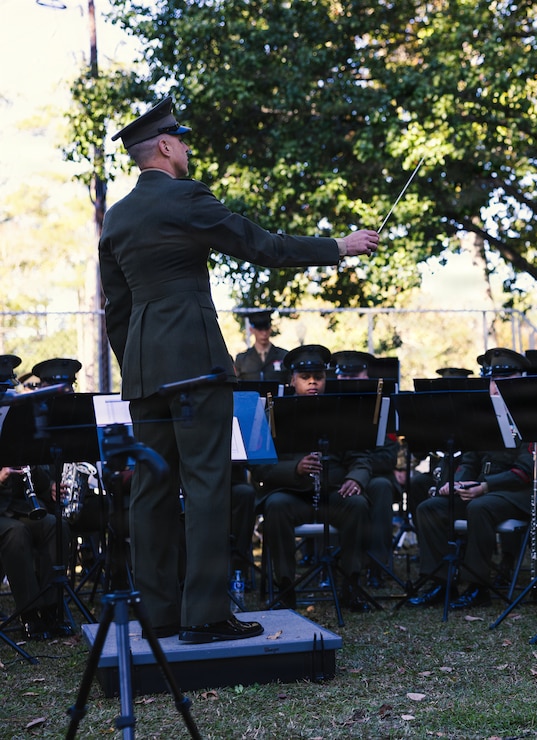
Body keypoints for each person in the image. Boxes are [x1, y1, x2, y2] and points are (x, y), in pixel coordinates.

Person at [98, 96, 379, 643]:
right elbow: (261, 246)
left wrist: (133, 365)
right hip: (196, 369)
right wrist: (338, 246)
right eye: (180, 140)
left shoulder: (118, 216)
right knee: (207, 486)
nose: (186, 148)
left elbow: (118, 310)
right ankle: (205, 616)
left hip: (144, 374)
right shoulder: (186, 197)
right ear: (163, 146)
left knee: (151, 493)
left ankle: (159, 615)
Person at [252, 345, 398, 609]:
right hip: (292, 493)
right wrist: (295, 468)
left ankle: (350, 585)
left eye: (318, 377)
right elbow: (260, 466)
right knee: (275, 507)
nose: (312, 383)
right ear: (292, 380)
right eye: (305, 378)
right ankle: (286, 587)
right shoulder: (272, 414)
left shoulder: (341, 412)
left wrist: (355, 478)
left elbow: (360, 458)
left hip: (333, 492)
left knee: (357, 504)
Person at [407, 348, 535, 610]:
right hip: (482, 489)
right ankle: (441, 582)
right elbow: (469, 460)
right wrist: (457, 484)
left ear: (521, 379)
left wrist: (486, 486)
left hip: (516, 493)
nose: (496, 386)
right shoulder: (483, 416)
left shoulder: (532, 415)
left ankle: (478, 586)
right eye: (491, 380)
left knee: (480, 507)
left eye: (504, 379)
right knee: (429, 508)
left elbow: (526, 470)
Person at [0, 355, 71, 640]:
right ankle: (29, 613)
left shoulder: (18, 420)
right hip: (4, 517)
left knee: (57, 525)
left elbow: (37, 470)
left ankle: (52, 610)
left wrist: (46, 482)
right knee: (15, 535)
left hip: (19, 507)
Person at [234, 311, 288, 381]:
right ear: (252, 330)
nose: (264, 333)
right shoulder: (242, 359)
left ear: (270, 329)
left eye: (266, 329)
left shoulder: (283, 356)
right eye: (260, 330)